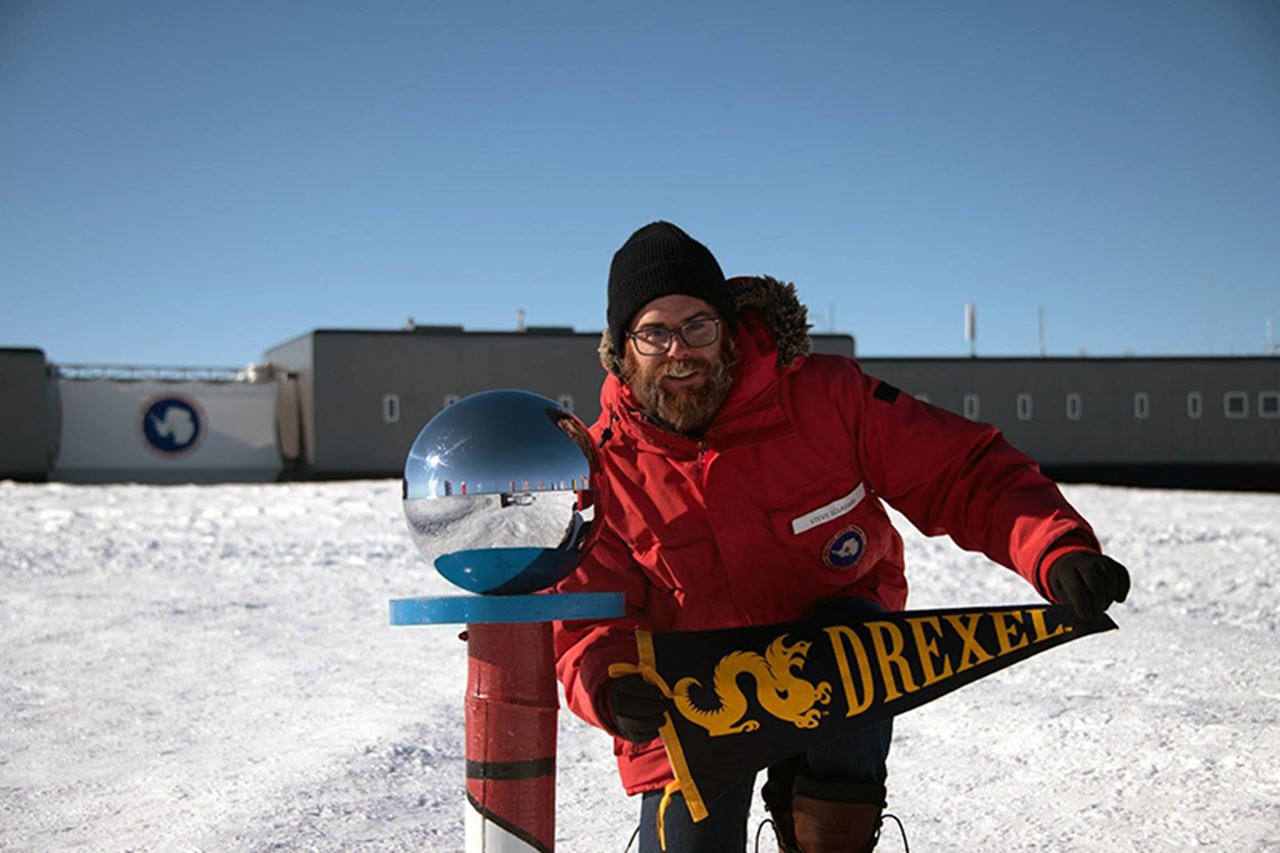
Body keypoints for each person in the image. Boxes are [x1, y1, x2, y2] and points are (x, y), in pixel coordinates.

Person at [553, 222, 1130, 853]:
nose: (679, 350)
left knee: (849, 696)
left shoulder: (826, 398)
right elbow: (587, 617)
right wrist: (609, 687)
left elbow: (959, 472)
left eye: (698, 326)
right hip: (693, 700)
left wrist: (1056, 548)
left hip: (835, 660)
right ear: (622, 349)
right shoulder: (602, 469)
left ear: (727, 331)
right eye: (654, 333)